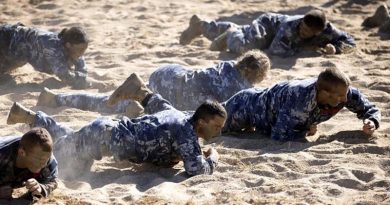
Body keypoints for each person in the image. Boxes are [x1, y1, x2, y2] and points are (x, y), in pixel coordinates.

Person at [7, 73, 227, 176]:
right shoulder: (186, 132)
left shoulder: (178, 116)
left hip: (105, 132)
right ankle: (31, 119)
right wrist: (213, 158)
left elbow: (157, 103)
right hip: (102, 139)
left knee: (71, 139)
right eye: (216, 126)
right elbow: (195, 169)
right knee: (59, 155)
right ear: (201, 121)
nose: (219, 131)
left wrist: (143, 94)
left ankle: (28, 116)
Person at [37, 50, 270, 113]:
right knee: (112, 106)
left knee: (109, 102)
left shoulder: (227, 65)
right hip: (175, 96)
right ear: (255, 75)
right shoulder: (240, 87)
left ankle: (56, 98)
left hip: (167, 73)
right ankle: (56, 98)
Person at [221, 67, 380, 141]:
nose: (345, 99)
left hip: (266, 113)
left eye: (345, 94)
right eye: (340, 96)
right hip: (245, 106)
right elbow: (279, 135)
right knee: (208, 123)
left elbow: (369, 108)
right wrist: (304, 129)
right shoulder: (300, 99)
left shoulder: (343, 92)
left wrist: (372, 121)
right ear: (324, 93)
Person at [180, 9, 355, 57]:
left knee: (246, 36)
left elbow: (350, 43)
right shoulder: (290, 25)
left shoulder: (327, 29)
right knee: (248, 46)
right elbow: (277, 51)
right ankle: (230, 32)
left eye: (309, 32)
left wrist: (336, 48)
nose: (303, 31)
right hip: (268, 25)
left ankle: (201, 26)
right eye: (303, 27)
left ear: (320, 31)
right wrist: (308, 48)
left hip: (272, 36)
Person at [0, 23, 89, 88]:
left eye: (84, 49)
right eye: (80, 49)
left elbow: (82, 69)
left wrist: (82, 78)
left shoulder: (73, 49)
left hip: (15, 51)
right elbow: (65, 75)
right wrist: (81, 80)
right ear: (68, 45)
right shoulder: (52, 47)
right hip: (6, 40)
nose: (82, 53)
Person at [0, 128, 58, 200]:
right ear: (22, 152)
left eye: (46, 159)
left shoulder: (47, 158)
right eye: (39, 159)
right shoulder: (2, 154)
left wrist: (40, 188)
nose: (43, 164)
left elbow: (52, 182)